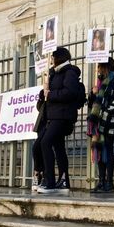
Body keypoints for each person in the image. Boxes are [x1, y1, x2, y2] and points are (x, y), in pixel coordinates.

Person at [35, 46, 82, 194]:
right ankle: (63, 181)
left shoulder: (69, 72)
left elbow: (70, 92)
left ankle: (50, 182)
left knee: (45, 142)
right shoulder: (53, 73)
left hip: (63, 116)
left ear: (58, 57)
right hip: (53, 116)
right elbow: (49, 94)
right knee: (58, 147)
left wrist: (51, 94)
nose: (51, 60)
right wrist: (44, 93)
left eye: (52, 57)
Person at [87, 57, 114, 193]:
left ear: (106, 67)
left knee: (108, 150)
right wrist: (93, 93)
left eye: (99, 67)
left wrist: (102, 114)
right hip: (99, 123)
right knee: (99, 150)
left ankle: (109, 183)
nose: (98, 70)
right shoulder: (100, 82)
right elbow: (91, 104)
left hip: (110, 122)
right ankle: (101, 181)